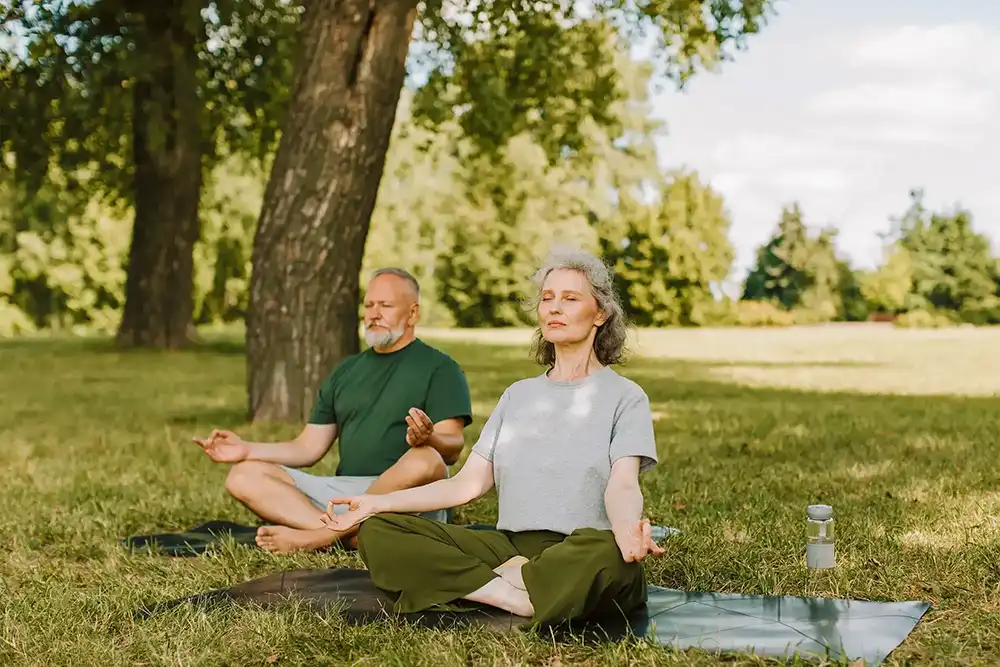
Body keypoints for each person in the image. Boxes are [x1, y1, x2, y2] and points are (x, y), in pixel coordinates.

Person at [323, 249, 665, 627]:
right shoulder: (517, 395)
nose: (554, 308)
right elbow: (466, 486)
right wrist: (376, 503)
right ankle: (511, 595)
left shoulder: (624, 396)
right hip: (510, 549)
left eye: (570, 299)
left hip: (580, 548)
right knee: (381, 530)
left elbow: (623, 485)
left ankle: (493, 584)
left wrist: (627, 530)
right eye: (547, 298)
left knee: (613, 558)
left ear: (600, 313)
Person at [192, 267, 474, 554]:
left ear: (413, 313)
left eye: (385, 305)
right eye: (369, 305)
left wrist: (430, 438)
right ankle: (346, 536)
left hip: (407, 496)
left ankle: (317, 538)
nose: (374, 314)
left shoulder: (441, 368)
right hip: (346, 496)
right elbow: (308, 448)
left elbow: (451, 450)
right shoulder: (346, 371)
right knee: (243, 475)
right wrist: (246, 450)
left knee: (426, 459)